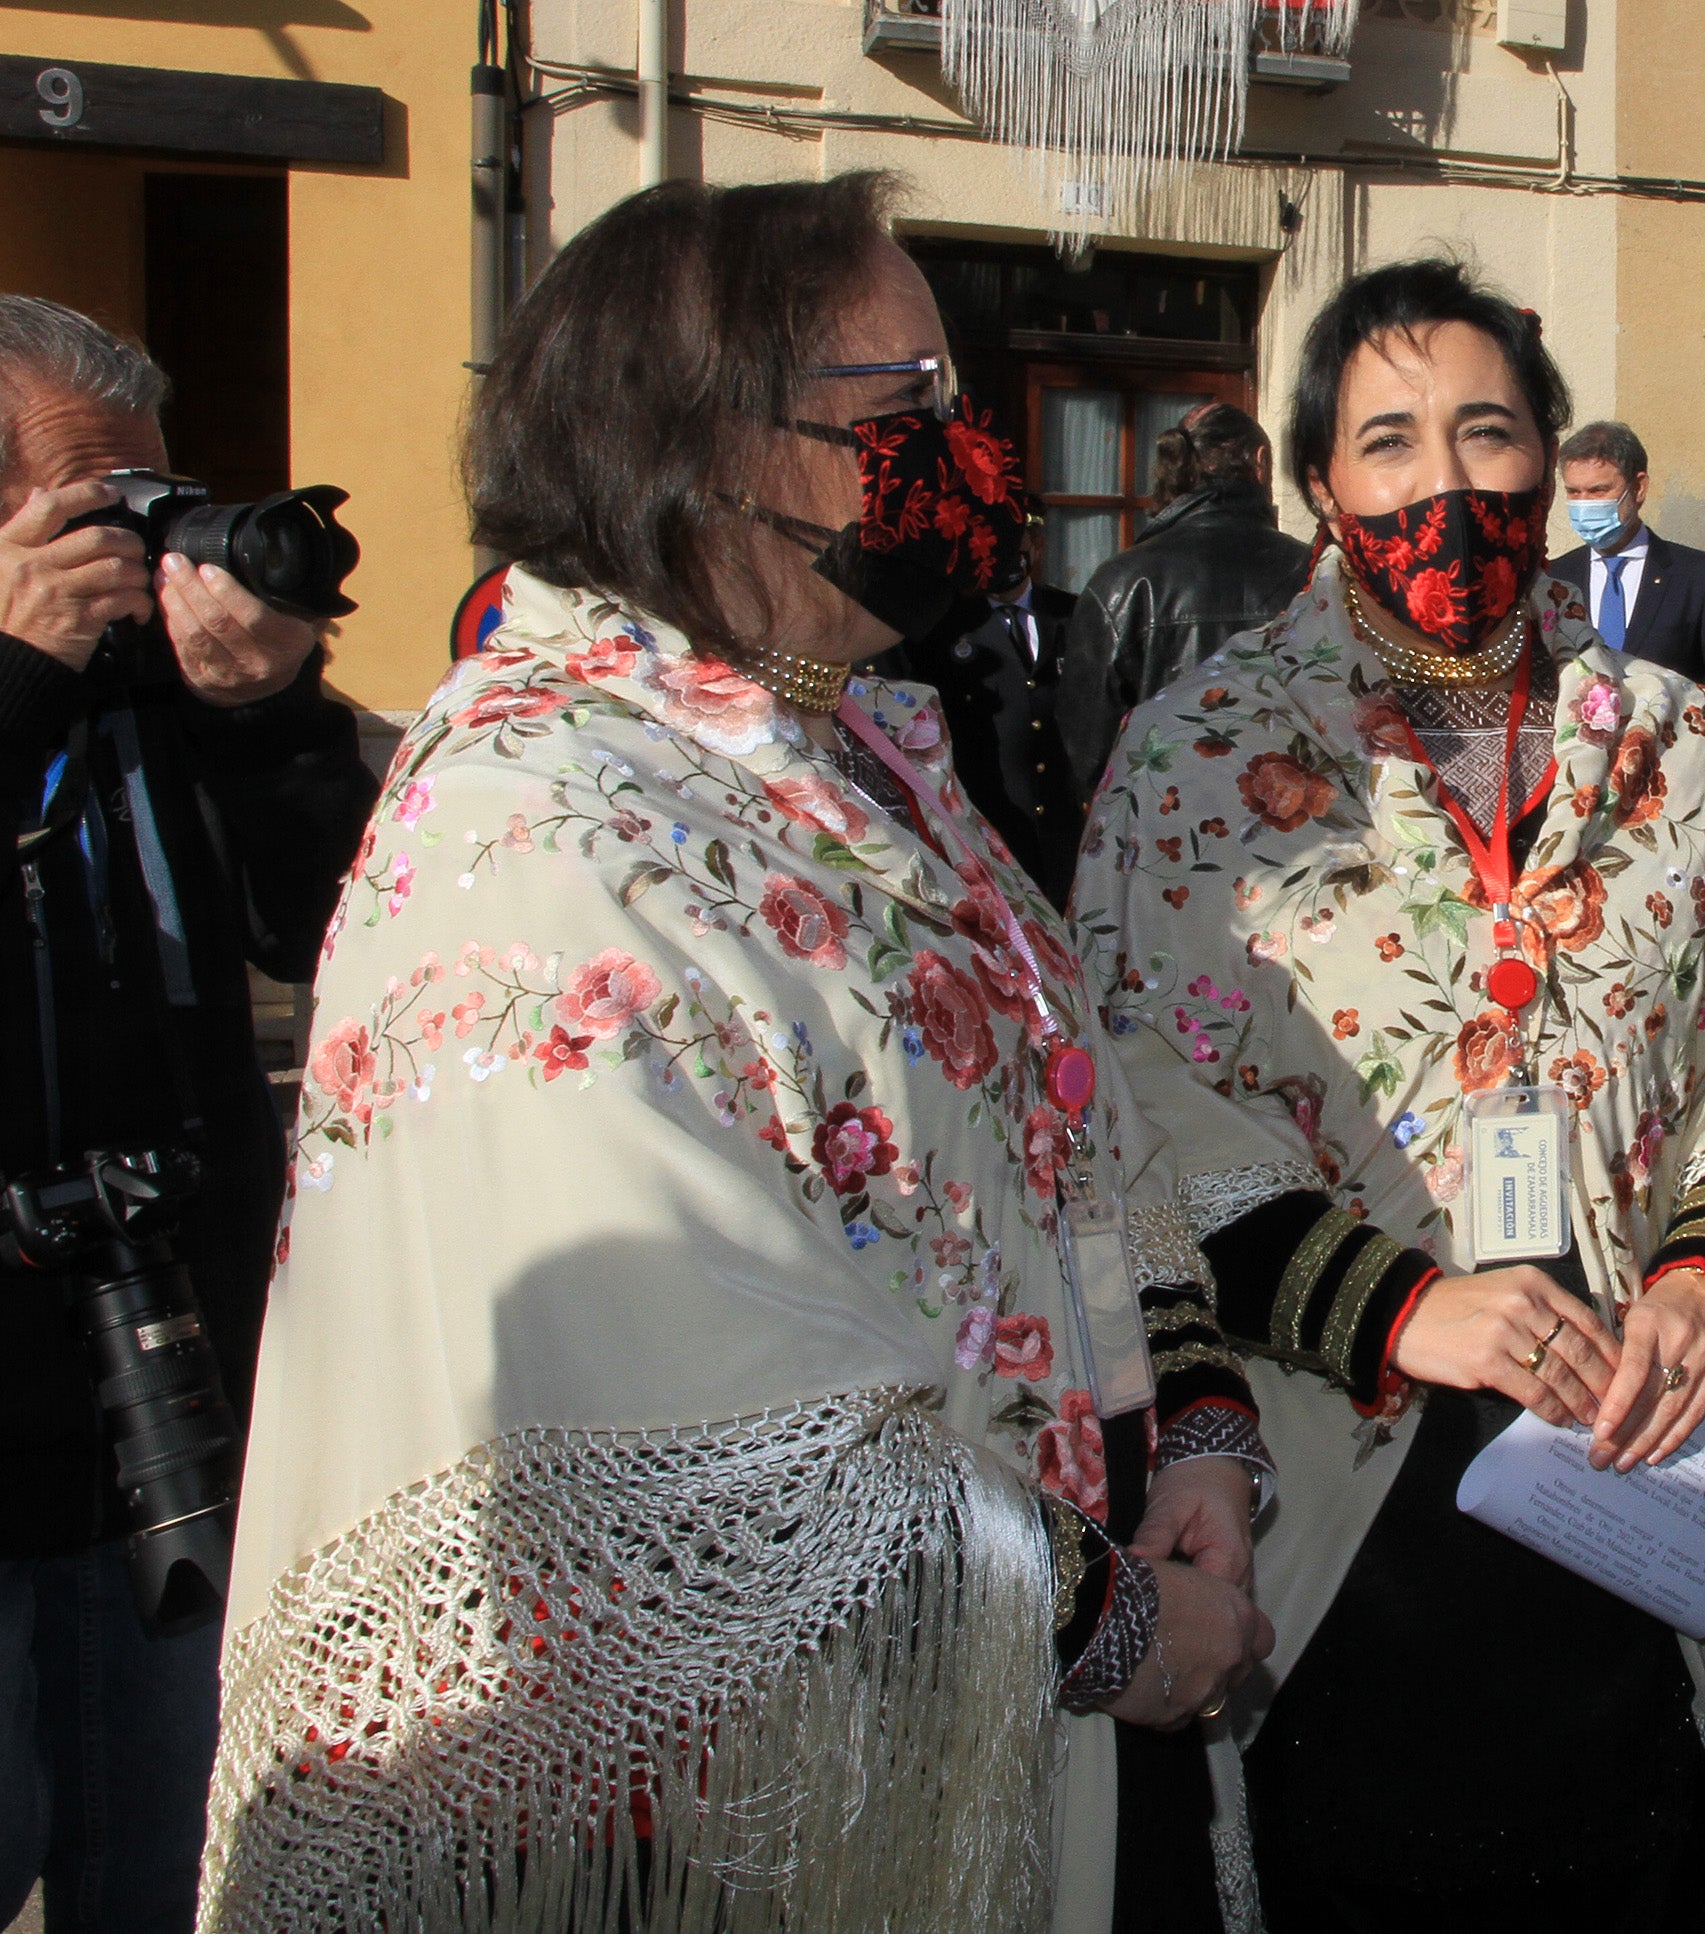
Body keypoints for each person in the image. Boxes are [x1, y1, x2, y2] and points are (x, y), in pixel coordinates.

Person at [196, 174, 1275, 1933]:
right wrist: (1113, 1621)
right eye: (904, 412)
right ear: (703, 442)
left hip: (1052, 1689)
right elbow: (701, 1419)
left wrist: (1204, 1432)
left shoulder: (869, 751)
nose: (969, 457)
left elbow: (1074, 1135)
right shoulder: (531, 830)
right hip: (767, 1806)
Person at [1075, 257, 1705, 1928]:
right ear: (1319, 482)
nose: (1446, 482)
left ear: (1551, 458)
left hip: (1637, 1459)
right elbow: (1132, 1106)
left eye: (1486, 431)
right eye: (1388, 441)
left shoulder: (1681, 748)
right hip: (1351, 1507)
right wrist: (1403, 1305)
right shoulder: (1194, 756)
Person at [0, 295, 375, 1934]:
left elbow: (335, 929)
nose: (127, 553)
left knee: (163, 1870)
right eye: (93, 505)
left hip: (158, 1401)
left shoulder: (157, 694)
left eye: (146, 500)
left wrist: (269, 707)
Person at [1058, 401, 1313, 804]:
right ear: (1260, 462)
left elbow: (1086, 750)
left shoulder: (1120, 580)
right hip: (1294, 826)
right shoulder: (1314, 572)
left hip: (1165, 827)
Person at [882, 492, 1088, 906]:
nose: (1005, 557)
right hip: (993, 833)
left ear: (1037, 543)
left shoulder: (1077, 615)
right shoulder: (943, 630)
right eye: (991, 546)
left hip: (1073, 831)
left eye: (1017, 543)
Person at [1547, 420, 1705, 716]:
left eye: (1598, 491)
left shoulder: (1701, 577)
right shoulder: (1554, 578)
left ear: (1638, 487)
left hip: (1669, 754)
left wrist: (1689, 720)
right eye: (1574, 492)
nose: (1584, 504)